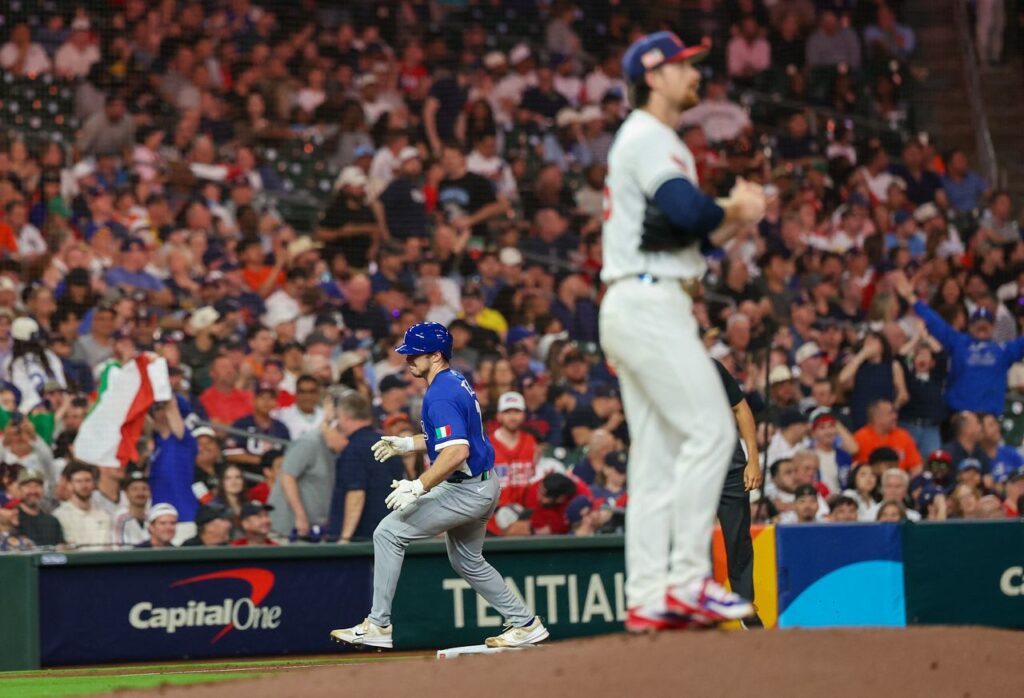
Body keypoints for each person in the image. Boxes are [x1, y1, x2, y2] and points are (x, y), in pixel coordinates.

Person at [597, 31, 764, 632]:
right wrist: (736, 209)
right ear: (653, 76)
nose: (694, 74)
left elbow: (682, 234)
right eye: (682, 66)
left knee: (656, 459)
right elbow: (693, 213)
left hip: (634, 298)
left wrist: (735, 220)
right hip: (648, 305)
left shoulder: (640, 140)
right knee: (713, 433)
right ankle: (690, 581)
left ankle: (647, 596)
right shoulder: (650, 135)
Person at [330, 323, 548, 650]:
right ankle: (525, 623)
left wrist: (418, 486)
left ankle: (378, 624)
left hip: (466, 489)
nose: (407, 359)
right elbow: (451, 438)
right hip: (482, 484)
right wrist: (408, 445)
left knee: (387, 532)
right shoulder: (453, 380)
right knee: (467, 561)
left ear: (435, 355)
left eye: (414, 354)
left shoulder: (441, 393)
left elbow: (457, 451)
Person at [894, 271, 1024, 417]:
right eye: (978, 323)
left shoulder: (1004, 350)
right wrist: (910, 297)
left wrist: (1022, 300)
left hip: (989, 419)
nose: (982, 327)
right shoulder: (959, 342)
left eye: (986, 324)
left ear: (993, 327)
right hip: (959, 416)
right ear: (969, 326)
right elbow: (935, 322)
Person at [711, 358, 763, 627]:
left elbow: (741, 409)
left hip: (730, 468)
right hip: (691, 472)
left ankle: (745, 607)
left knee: (738, 541)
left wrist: (753, 460)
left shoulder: (711, 368)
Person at [330, 391, 405, 543]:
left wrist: (344, 539)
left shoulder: (353, 450)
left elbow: (356, 494)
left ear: (344, 417)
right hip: (391, 534)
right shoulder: (387, 444)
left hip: (361, 539)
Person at [268, 397, 347, 538]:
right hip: (287, 529)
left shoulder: (334, 452)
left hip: (311, 531)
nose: (348, 444)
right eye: (347, 438)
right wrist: (300, 515)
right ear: (335, 431)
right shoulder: (309, 442)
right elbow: (287, 475)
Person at [53, 462, 113, 550]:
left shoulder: (104, 515)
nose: (84, 485)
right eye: (78, 481)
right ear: (69, 485)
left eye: (88, 480)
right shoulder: (59, 516)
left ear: (93, 484)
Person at [852, 400, 923, 474]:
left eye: (895, 413)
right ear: (877, 417)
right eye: (890, 413)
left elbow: (916, 466)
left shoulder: (903, 436)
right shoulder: (860, 438)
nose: (895, 416)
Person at [14, 468, 64, 547]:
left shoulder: (52, 521)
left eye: (37, 486)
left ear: (43, 489)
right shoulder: (12, 519)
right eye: (28, 486)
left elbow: (60, 549)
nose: (33, 491)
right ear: (19, 489)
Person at [112, 471, 151, 548]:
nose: (140, 493)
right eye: (134, 489)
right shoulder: (120, 517)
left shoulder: (152, 517)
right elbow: (120, 549)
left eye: (144, 488)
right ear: (126, 493)